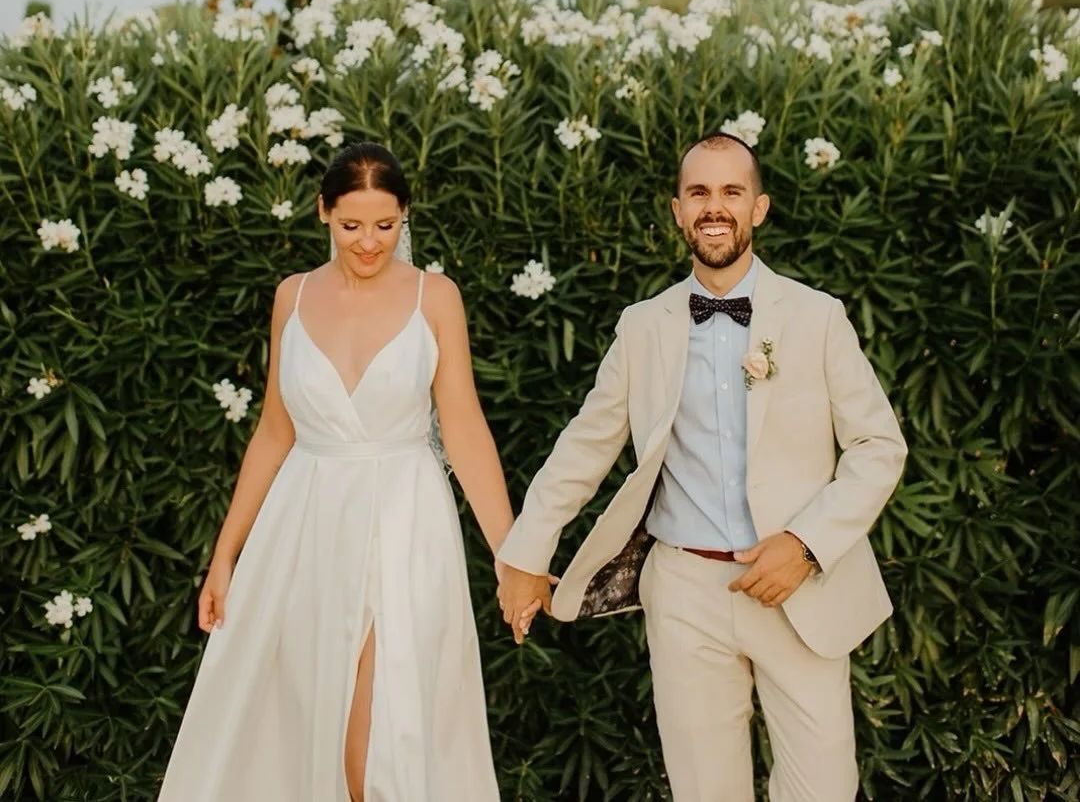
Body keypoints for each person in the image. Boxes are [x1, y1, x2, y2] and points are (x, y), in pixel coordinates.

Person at [497, 131, 908, 802]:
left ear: (759, 208)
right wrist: (524, 554)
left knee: (825, 788)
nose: (714, 207)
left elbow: (879, 448)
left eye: (730, 192)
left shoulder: (818, 316)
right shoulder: (642, 326)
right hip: (684, 590)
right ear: (678, 211)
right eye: (699, 193)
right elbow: (586, 446)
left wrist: (806, 546)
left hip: (795, 588)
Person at [159, 141, 510, 802]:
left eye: (386, 225)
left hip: (405, 524)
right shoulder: (291, 298)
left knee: (382, 732)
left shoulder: (436, 299)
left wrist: (509, 556)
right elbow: (272, 431)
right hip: (304, 528)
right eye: (352, 225)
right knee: (297, 723)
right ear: (322, 212)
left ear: (405, 216)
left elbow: (463, 428)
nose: (370, 242)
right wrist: (224, 556)